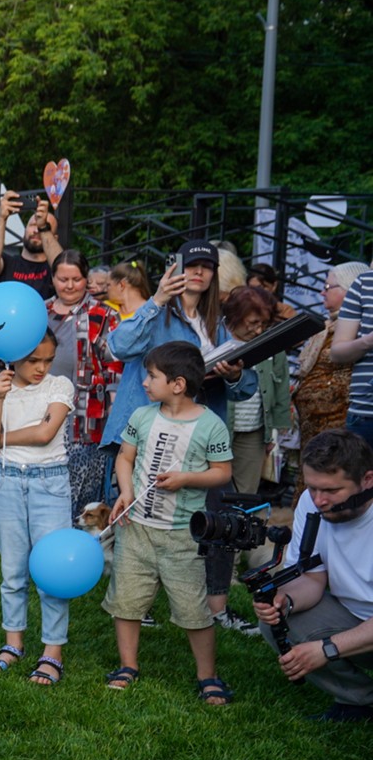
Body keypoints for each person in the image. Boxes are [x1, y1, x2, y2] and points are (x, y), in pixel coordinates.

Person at [103, 242, 256, 627]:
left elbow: (246, 387)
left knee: (215, 516)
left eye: (207, 266)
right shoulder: (156, 313)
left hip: (201, 436)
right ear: (176, 268)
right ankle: (139, 603)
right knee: (141, 514)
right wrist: (155, 299)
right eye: (192, 265)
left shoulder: (217, 323)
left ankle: (215, 607)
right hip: (150, 431)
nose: (199, 272)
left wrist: (235, 375)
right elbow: (118, 346)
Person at [103, 342, 237, 704]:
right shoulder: (142, 416)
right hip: (136, 530)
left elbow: (222, 473)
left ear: (177, 384)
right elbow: (124, 459)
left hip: (181, 535)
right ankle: (127, 666)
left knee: (194, 608)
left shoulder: (211, 425)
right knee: (127, 602)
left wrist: (186, 478)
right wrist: (126, 492)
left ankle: (207, 676)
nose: (145, 383)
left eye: (152, 376)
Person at [251, 430, 373, 721]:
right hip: (355, 619)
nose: (318, 500)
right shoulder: (312, 501)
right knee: (277, 620)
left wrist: (327, 649)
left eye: (331, 491)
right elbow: (313, 579)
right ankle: (359, 701)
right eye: (312, 488)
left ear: (367, 480)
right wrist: (285, 600)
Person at [0, 332, 75, 685]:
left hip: (50, 483)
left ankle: (52, 653)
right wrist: (1, 399)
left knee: (51, 574)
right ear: (13, 357)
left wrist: (7, 436)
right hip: (7, 483)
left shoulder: (59, 387)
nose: (41, 368)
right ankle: (13, 644)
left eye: (48, 360)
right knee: (12, 571)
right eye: (34, 360)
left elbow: (45, 434)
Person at [44, 250, 120, 511]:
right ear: (53, 278)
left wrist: (113, 413)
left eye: (75, 279)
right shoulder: (39, 311)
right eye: (62, 279)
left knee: (81, 490)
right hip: (40, 409)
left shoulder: (103, 314)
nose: (69, 285)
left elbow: (114, 366)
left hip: (84, 414)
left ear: (85, 279)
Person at [295, 262, 367, 493]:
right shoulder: (327, 327)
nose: (322, 292)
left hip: (341, 423)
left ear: (349, 288)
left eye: (328, 285)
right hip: (315, 429)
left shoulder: (354, 328)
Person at [221, 284, 290, 495]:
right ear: (235, 316)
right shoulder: (215, 338)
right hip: (219, 427)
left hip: (255, 431)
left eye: (264, 323)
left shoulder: (270, 343)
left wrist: (274, 434)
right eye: (252, 323)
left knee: (245, 492)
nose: (259, 330)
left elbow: (281, 387)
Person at [325, 263, 373, 454]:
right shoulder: (365, 284)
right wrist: (368, 341)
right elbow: (337, 352)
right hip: (367, 412)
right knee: (362, 482)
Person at [0, 188, 61, 297]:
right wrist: (2, 218)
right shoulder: (8, 263)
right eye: (33, 225)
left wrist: (43, 227)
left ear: (55, 238)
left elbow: (62, 268)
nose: (36, 230)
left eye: (44, 227)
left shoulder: (53, 268)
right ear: (25, 230)